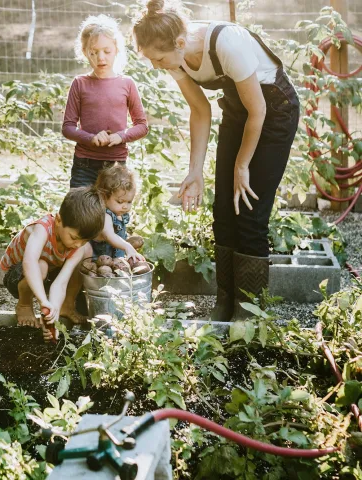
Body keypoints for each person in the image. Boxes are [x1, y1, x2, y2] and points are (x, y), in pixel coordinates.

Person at [133, 0, 299, 320]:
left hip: (274, 112)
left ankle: (249, 313)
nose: (156, 65)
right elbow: (200, 110)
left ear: (179, 44)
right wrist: (194, 171)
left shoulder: (228, 42)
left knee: (248, 210)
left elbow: (259, 110)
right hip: (239, 114)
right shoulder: (176, 57)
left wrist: (242, 165)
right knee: (223, 211)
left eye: (159, 58)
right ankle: (226, 304)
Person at [0, 187, 105, 340]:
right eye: (74, 237)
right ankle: (24, 304)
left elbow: (60, 283)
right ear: (58, 220)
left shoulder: (78, 245)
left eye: (84, 240)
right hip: (17, 277)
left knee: (86, 251)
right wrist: (43, 300)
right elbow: (30, 263)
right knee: (41, 265)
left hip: (48, 274)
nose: (77, 244)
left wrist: (51, 314)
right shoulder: (42, 229)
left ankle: (65, 306)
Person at [62, 14, 149, 189]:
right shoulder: (79, 83)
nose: (101, 58)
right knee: (81, 215)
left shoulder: (127, 84)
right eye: (93, 52)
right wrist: (91, 138)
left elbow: (142, 126)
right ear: (85, 52)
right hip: (84, 165)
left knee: (113, 216)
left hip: (116, 166)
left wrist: (121, 136)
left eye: (106, 51)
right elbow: (68, 127)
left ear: (116, 49)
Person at [92, 163, 145, 262]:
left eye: (129, 202)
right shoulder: (105, 215)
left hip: (116, 260)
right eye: (120, 201)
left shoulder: (119, 213)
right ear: (104, 197)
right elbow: (109, 235)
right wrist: (127, 247)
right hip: (101, 261)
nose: (125, 206)